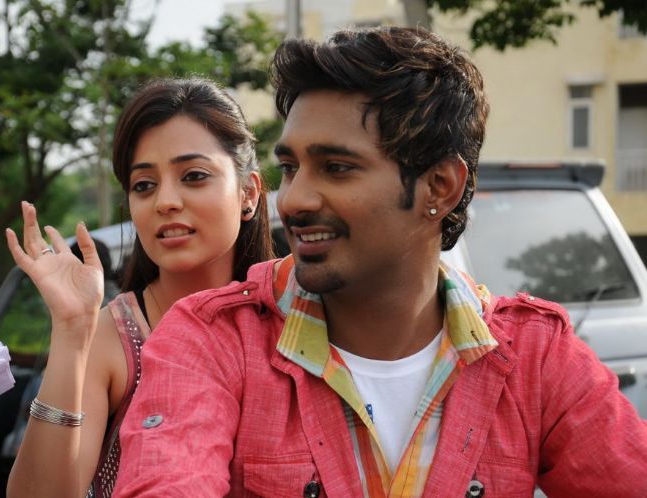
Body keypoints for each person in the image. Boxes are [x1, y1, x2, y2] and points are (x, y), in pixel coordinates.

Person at [113, 27, 647, 497]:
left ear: (439, 186)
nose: (293, 200)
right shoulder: (212, 340)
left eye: (337, 167)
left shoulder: (533, 355)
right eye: (291, 167)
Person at [4, 77, 275, 498]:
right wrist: (73, 332)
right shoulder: (113, 338)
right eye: (144, 185)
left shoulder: (294, 323)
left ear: (249, 193)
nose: (165, 201)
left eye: (194, 176)